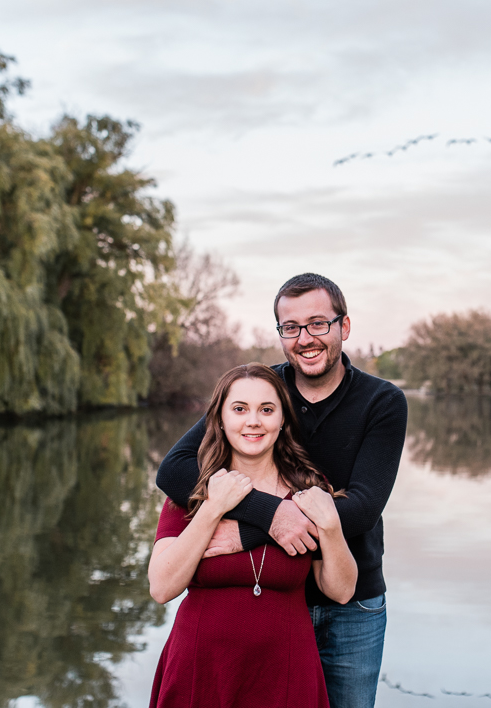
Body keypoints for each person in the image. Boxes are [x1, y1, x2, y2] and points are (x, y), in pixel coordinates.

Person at [156, 273, 407, 708]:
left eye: (317, 324)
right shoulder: (261, 390)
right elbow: (174, 469)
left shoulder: (381, 401)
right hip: (268, 605)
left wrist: (255, 528)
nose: (305, 338)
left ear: (343, 328)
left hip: (350, 601)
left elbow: (362, 508)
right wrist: (267, 512)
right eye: (291, 327)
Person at [148, 363, 358, 708]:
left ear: (283, 420)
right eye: (240, 409)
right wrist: (213, 509)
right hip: (201, 670)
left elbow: (341, 589)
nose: (253, 421)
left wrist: (331, 526)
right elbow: (161, 587)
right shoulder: (191, 488)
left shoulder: (308, 488)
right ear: (218, 420)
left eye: (267, 409)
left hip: (286, 674)